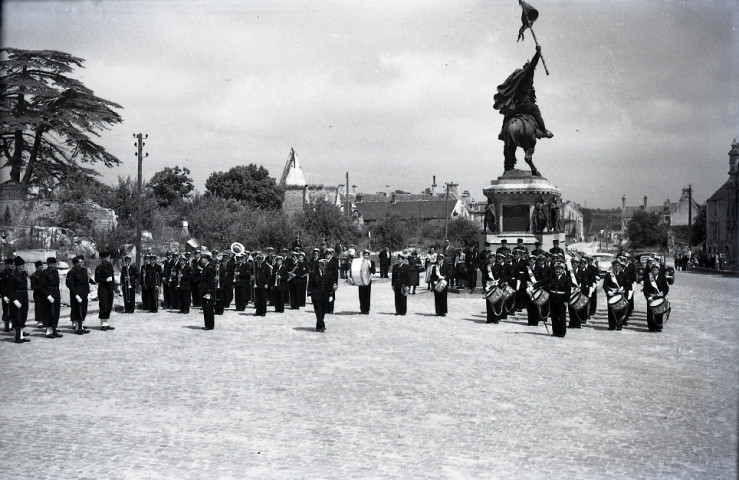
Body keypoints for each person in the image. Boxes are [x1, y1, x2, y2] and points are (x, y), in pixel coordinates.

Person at [493, 45, 553, 140]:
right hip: (525, 104)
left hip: (514, 105)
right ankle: (544, 131)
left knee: (508, 115)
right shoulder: (527, 76)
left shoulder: (517, 76)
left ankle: (502, 133)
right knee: (537, 112)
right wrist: (537, 53)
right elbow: (533, 65)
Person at [309, 258, 337, 332]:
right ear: (319, 265)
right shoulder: (313, 273)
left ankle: (318, 326)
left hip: (325, 295)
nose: (324, 267)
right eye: (322, 265)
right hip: (316, 295)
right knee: (318, 311)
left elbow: (330, 285)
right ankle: (322, 325)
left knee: (323, 311)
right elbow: (310, 284)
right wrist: (309, 294)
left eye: (325, 265)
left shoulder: (329, 273)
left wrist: (331, 295)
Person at [38, 257, 62, 338]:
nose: (55, 266)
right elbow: (41, 286)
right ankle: (48, 331)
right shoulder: (45, 273)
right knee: (49, 312)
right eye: (54, 264)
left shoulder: (56, 272)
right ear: (49, 264)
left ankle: (54, 330)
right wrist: (47, 295)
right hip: (49, 294)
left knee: (56, 312)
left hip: (56, 293)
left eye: (56, 264)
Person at [66, 255, 91, 335]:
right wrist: (76, 295)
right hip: (76, 293)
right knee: (76, 310)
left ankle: (81, 326)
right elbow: (70, 285)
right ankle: (77, 328)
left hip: (84, 293)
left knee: (83, 309)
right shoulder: (71, 272)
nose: (82, 263)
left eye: (82, 262)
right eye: (80, 262)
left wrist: (88, 292)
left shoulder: (84, 270)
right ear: (76, 263)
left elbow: (86, 282)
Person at [8, 256, 30, 343]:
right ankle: (16, 337)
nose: (23, 267)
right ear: (17, 266)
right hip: (17, 297)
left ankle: (21, 335)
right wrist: (14, 300)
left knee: (23, 316)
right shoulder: (13, 276)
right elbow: (10, 290)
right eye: (21, 266)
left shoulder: (24, 274)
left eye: (23, 266)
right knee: (17, 318)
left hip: (24, 296)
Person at [603, 259, 630, 331]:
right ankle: (612, 325)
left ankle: (619, 325)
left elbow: (627, 285)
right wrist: (608, 291)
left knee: (620, 310)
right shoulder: (608, 275)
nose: (617, 267)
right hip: (611, 294)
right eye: (615, 266)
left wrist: (624, 290)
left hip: (620, 294)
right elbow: (605, 285)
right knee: (611, 310)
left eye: (618, 266)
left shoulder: (623, 274)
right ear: (612, 266)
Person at [643, 262, 670, 332]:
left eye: (655, 270)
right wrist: (648, 296)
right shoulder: (648, 278)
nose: (653, 271)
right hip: (651, 297)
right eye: (652, 270)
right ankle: (651, 327)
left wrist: (663, 294)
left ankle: (658, 326)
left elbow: (666, 288)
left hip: (659, 297)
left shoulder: (662, 278)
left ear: (658, 271)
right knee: (650, 313)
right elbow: (645, 289)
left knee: (659, 312)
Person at [568, 257, 592, 329]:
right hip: (571, 292)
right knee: (571, 308)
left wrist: (580, 288)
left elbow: (585, 284)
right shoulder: (568, 272)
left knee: (579, 307)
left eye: (575, 263)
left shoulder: (582, 273)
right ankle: (572, 322)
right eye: (572, 263)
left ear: (578, 264)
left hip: (579, 292)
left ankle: (578, 322)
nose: (574, 264)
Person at [94, 251, 116, 331]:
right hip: (103, 288)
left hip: (110, 288)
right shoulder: (99, 267)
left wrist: (113, 287)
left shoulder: (110, 266)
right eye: (107, 257)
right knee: (103, 305)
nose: (109, 259)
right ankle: (102, 324)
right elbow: (97, 279)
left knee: (109, 306)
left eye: (109, 257)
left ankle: (106, 323)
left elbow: (112, 277)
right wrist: (105, 280)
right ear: (103, 258)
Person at [548, 261, 570, 337]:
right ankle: (555, 331)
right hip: (553, 299)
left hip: (562, 300)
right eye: (556, 269)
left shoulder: (566, 278)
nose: (557, 271)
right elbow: (543, 282)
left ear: (563, 270)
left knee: (561, 316)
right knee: (554, 316)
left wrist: (566, 301)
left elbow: (568, 291)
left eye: (560, 269)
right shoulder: (552, 277)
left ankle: (562, 332)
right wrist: (533, 287)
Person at [199, 253, 216, 330]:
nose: (201, 260)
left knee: (209, 309)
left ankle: (210, 325)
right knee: (205, 309)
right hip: (204, 291)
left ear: (206, 259)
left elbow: (210, 281)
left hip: (207, 292)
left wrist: (209, 292)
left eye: (202, 258)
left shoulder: (209, 268)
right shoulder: (206, 267)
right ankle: (207, 324)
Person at [357, 249, 376, 314]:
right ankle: (362, 309)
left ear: (369, 255)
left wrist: (370, 266)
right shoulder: (360, 262)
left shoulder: (371, 262)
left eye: (367, 255)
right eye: (365, 255)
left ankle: (367, 310)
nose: (366, 256)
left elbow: (373, 272)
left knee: (367, 296)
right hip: (361, 280)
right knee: (361, 295)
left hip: (368, 280)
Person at [1, 258, 15, 332]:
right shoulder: (3, 273)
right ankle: (6, 326)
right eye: (10, 264)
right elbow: (2, 286)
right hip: (6, 294)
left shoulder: (12, 272)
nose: (12, 266)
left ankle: (11, 325)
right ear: (6, 265)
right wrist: (4, 296)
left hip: (11, 294)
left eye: (12, 264)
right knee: (6, 310)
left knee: (12, 310)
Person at [30, 260, 45, 328]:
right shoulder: (34, 275)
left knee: (45, 307)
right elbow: (33, 286)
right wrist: (40, 287)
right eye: (40, 267)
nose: (41, 269)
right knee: (38, 307)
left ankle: (44, 320)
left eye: (42, 267)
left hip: (44, 293)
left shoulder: (45, 274)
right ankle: (39, 321)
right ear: (37, 267)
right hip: (38, 293)